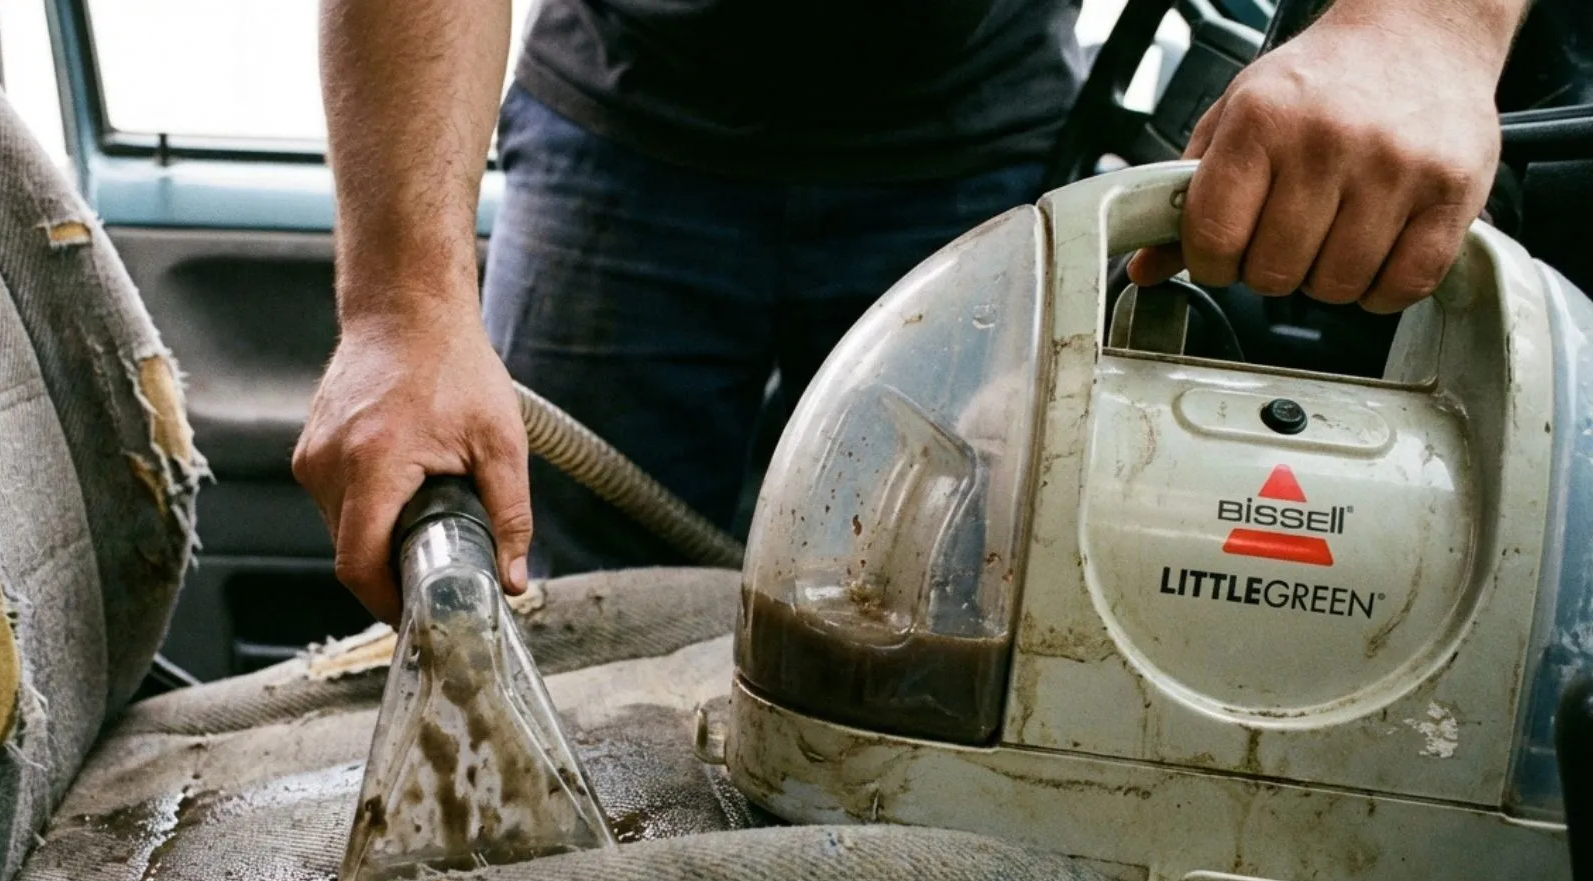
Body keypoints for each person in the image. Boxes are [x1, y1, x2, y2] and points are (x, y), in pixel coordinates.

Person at [294, 0, 1525, 625]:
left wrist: (1418, 26)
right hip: (623, 130)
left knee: (952, 614)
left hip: (976, 148)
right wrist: (402, 308)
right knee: (548, 608)